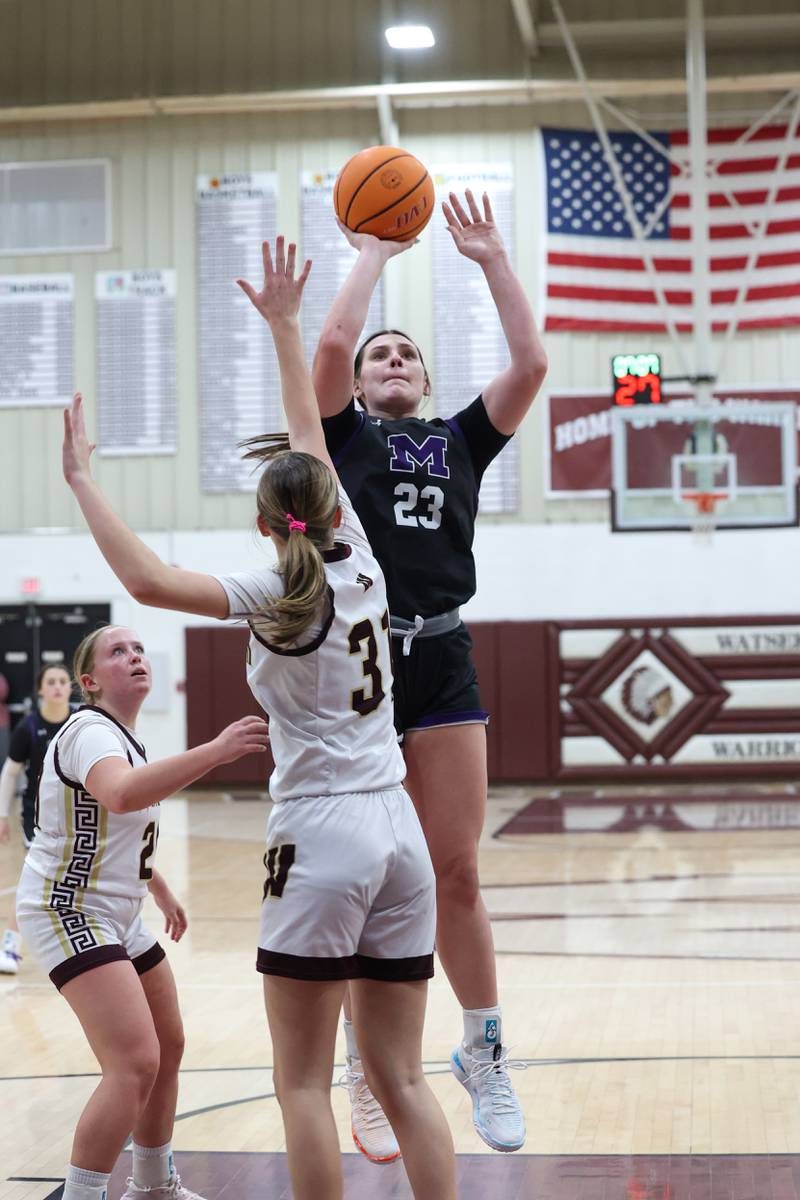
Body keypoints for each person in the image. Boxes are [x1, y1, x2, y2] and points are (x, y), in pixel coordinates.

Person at [60, 237, 457, 1200]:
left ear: (261, 519)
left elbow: (147, 579)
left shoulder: (268, 587)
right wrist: (286, 328)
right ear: (329, 507)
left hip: (320, 832)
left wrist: (82, 483)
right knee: (404, 1076)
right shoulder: (359, 554)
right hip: (399, 827)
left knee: (301, 1085)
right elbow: (311, 438)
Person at [311, 189, 548, 1155]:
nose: (392, 359)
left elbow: (531, 365)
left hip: (441, 652)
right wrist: (373, 250)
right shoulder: (345, 437)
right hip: (357, 660)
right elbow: (326, 349)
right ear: (363, 388)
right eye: (382, 356)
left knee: (455, 870)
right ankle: (365, 1066)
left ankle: (483, 1052)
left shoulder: (460, 441)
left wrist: (491, 259)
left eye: (406, 352)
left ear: (425, 375)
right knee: (359, 875)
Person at [15, 625, 269, 1200]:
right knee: (133, 1061)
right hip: (68, 907)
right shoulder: (86, 729)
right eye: (116, 652)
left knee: (167, 1044)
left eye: (137, 650)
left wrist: (158, 887)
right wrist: (217, 749)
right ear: (90, 681)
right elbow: (123, 795)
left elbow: (112, 828)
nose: (133, 657)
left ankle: (153, 1185)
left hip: (117, 910)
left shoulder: (124, 738)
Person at [0, 662, 74, 973]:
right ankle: (9, 949)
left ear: (71, 688)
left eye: (62, 681)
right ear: (40, 690)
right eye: (51, 681)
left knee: (74, 881)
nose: (57, 686)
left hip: (75, 813)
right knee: (32, 882)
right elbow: (10, 772)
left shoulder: (81, 723)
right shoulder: (28, 727)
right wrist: (2, 814)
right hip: (37, 814)